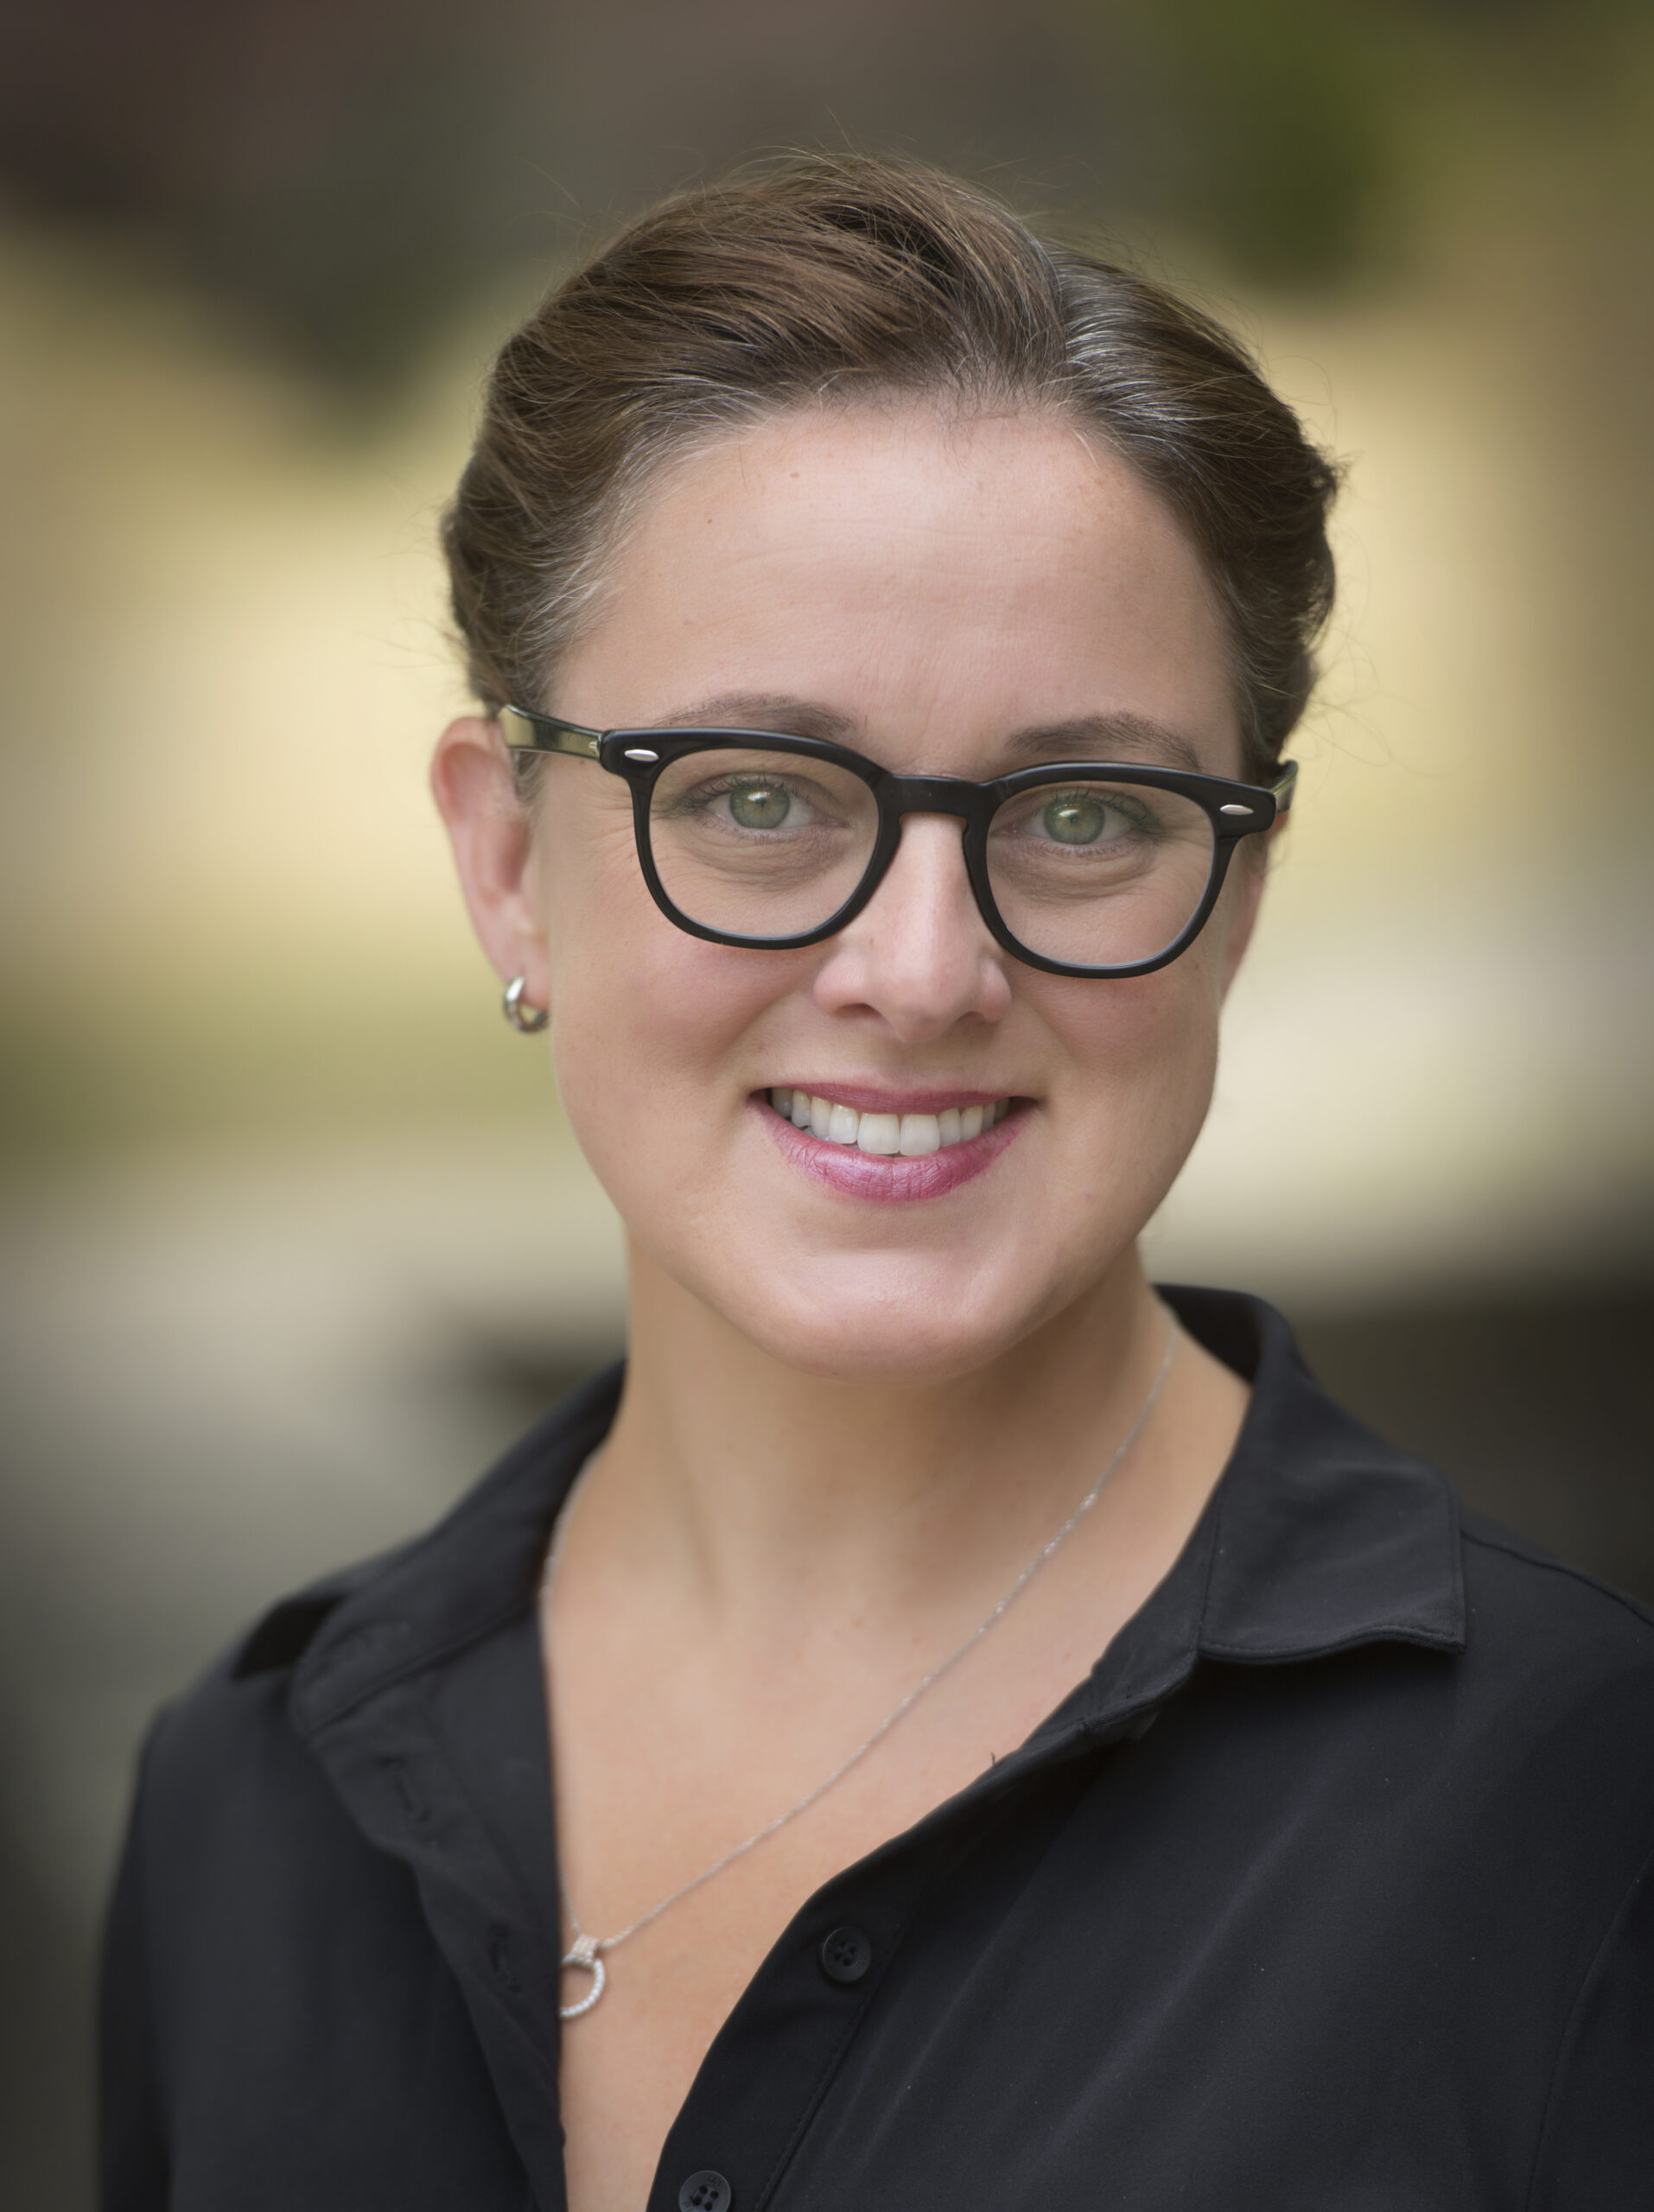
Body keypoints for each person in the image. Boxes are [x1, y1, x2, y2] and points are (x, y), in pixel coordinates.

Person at [100, 156, 1653, 2212]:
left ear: (1238, 896)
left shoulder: (1579, 1810)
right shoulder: (251, 1799)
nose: (922, 972)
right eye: (755, 797)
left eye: (1086, 813)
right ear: (504, 858)